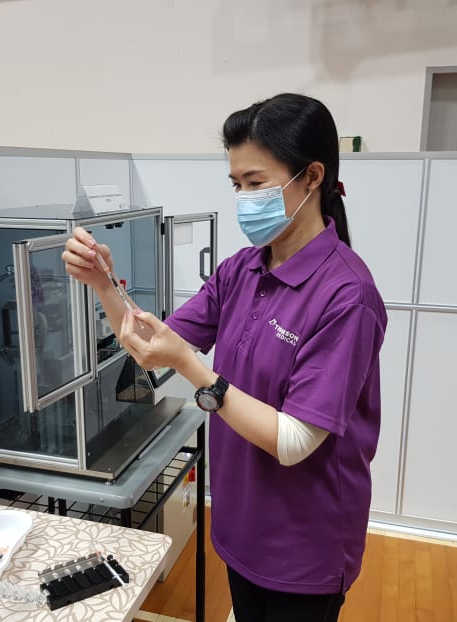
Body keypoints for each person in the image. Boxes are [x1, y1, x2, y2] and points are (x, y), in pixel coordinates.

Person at [62, 93, 387, 622]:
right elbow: (149, 347)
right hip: (241, 523)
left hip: (304, 546)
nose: (243, 198)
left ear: (311, 178)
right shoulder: (243, 270)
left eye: (256, 183)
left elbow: (296, 440)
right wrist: (103, 285)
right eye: (236, 185)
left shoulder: (346, 295)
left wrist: (195, 370)